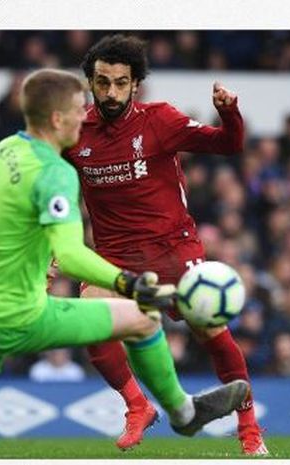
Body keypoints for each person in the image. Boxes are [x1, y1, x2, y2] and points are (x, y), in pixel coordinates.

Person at [0, 68, 249, 459]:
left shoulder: (4, 150)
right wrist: (130, 283)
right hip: (11, 313)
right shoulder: (56, 174)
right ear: (56, 117)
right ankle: (183, 413)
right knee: (142, 318)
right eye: (76, 108)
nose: (84, 116)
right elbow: (71, 255)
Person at [62, 35, 268, 455]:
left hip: (173, 248)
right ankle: (138, 406)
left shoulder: (160, 120)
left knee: (209, 329)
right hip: (115, 256)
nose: (112, 92)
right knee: (89, 320)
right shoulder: (72, 134)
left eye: (121, 82)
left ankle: (249, 428)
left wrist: (229, 113)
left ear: (136, 83)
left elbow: (229, 144)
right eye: (103, 82)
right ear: (89, 82)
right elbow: (55, 196)